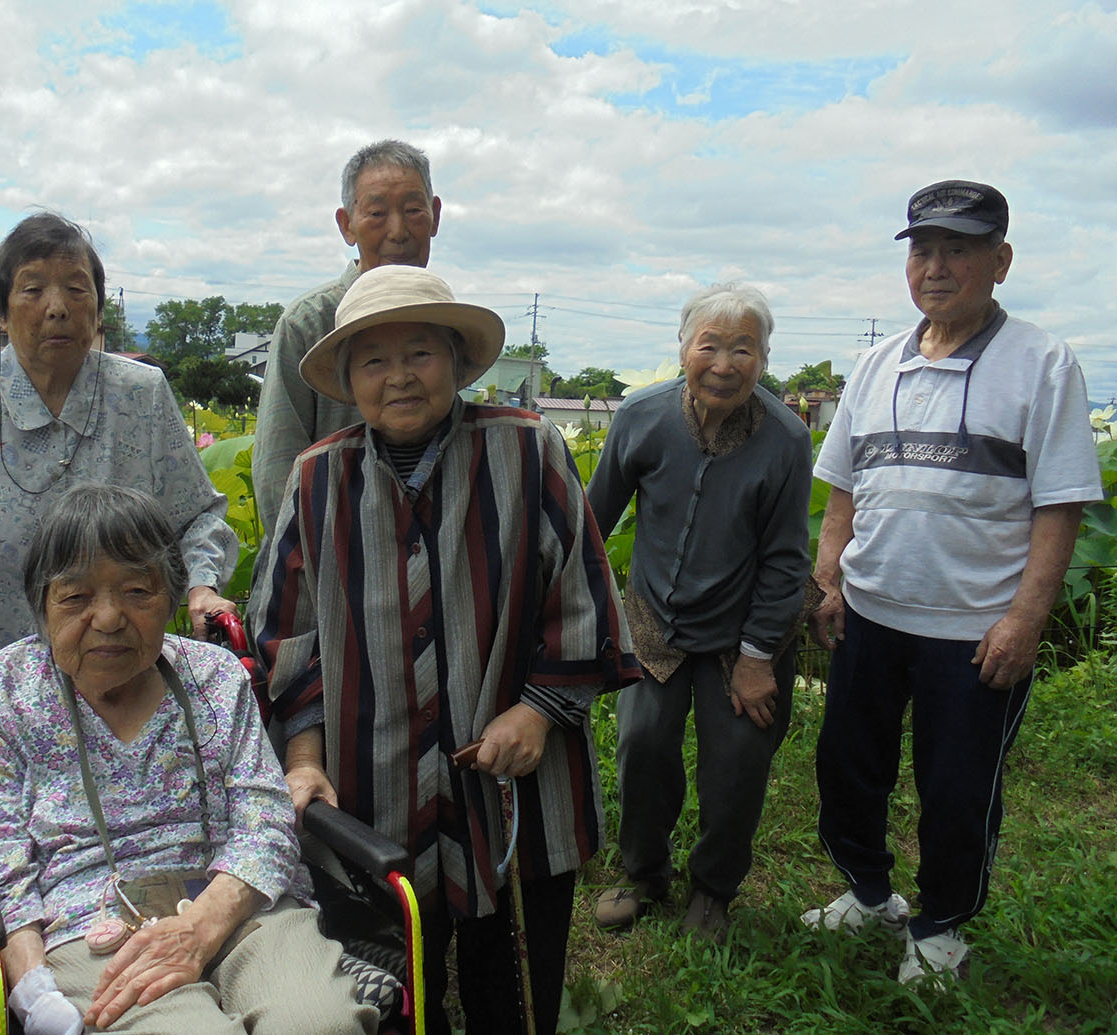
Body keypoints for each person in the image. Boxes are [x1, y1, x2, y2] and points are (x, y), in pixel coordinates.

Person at [248, 265, 640, 1035]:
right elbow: (285, 636)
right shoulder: (316, 476)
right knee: (386, 986)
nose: (398, 376)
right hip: (367, 789)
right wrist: (303, 756)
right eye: (373, 360)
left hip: (516, 788)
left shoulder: (529, 452)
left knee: (514, 985)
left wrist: (536, 712)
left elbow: (584, 599)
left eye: (420, 353)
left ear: (458, 362)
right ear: (349, 379)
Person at [801, 180, 1103, 983]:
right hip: (870, 615)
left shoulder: (1041, 363)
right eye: (923, 250)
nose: (936, 267)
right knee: (848, 766)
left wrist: (1025, 619)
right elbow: (842, 486)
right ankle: (868, 892)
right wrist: (830, 579)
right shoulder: (876, 365)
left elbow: (1061, 505)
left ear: (999, 262)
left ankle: (940, 925)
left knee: (957, 786)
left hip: (973, 629)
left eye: (958, 250)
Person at [0, 484, 375, 1035]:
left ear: (170, 599)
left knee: (320, 1024)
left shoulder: (214, 678)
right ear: (42, 605)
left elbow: (264, 820)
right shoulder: (1, 693)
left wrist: (202, 926)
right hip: (90, 924)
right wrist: (31, 986)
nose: (107, 618)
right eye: (75, 597)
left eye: (135, 591)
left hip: (239, 904)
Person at [0, 212, 239, 788]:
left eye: (76, 287)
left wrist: (202, 584)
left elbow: (196, 517)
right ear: (4, 309)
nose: (57, 306)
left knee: (131, 847)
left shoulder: (141, 394)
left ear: (97, 306)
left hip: (126, 682)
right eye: (33, 288)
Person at [588, 283, 813, 942]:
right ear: (683, 348)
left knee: (738, 759)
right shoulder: (642, 417)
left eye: (742, 348)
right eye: (709, 345)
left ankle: (713, 889)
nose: (723, 363)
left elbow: (784, 561)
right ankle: (644, 872)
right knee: (642, 745)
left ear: (764, 359)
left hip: (744, 636)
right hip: (656, 621)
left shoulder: (786, 439)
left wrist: (755, 659)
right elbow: (591, 521)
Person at [251, 139, 441, 533]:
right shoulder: (308, 323)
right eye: (376, 213)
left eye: (413, 210)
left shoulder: (445, 318)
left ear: (435, 215)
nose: (398, 231)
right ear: (346, 224)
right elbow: (276, 473)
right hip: (327, 558)